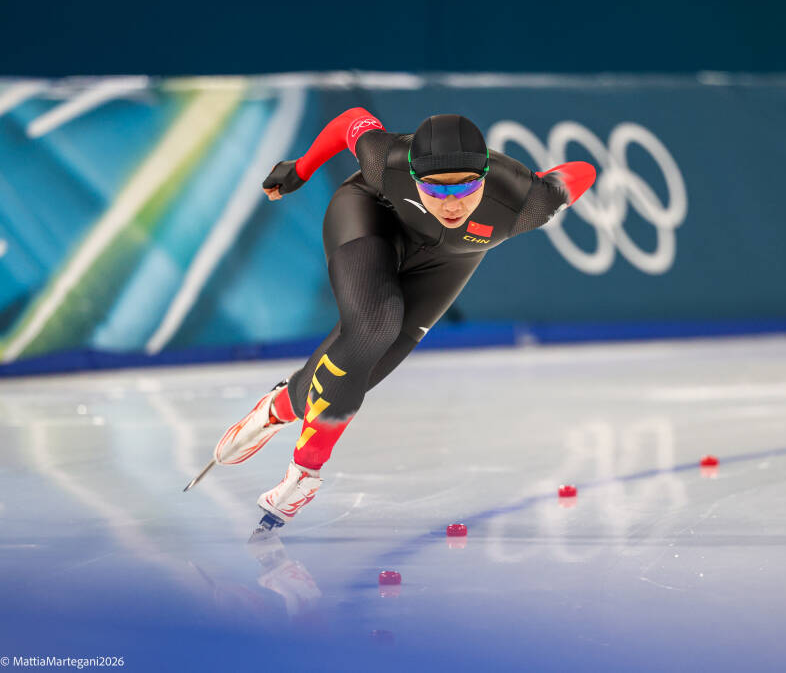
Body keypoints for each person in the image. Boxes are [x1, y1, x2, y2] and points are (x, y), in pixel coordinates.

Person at [207, 107, 596, 533]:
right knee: (373, 325)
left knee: (358, 372)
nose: (451, 204)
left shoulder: (525, 200)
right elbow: (350, 120)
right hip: (371, 217)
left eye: (466, 188)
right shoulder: (385, 160)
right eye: (434, 189)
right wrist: (299, 170)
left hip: (449, 262)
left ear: (485, 178)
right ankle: (304, 475)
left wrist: (550, 181)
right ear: (413, 176)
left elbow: (581, 171)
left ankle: (278, 407)